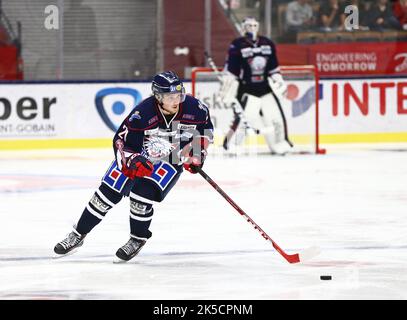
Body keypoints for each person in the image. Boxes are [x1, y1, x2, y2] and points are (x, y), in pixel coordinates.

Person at [54, 71, 214, 262]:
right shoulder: (143, 113)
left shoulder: (196, 108)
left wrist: (197, 154)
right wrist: (133, 160)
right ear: (158, 97)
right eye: (170, 97)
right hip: (141, 153)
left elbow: (205, 131)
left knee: (142, 195)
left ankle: (137, 238)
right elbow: (121, 141)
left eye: (178, 95)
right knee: (105, 195)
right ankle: (78, 235)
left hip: (172, 157)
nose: (176, 100)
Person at [219, 16, 293, 155]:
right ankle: (232, 144)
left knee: (276, 118)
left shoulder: (267, 43)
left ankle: (279, 144)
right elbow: (231, 70)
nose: (252, 28)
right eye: (248, 25)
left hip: (265, 88)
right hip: (247, 89)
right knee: (243, 120)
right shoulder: (237, 44)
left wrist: (278, 80)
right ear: (243, 27)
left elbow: (273, 69)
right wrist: (228, 84)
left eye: (254, 25)